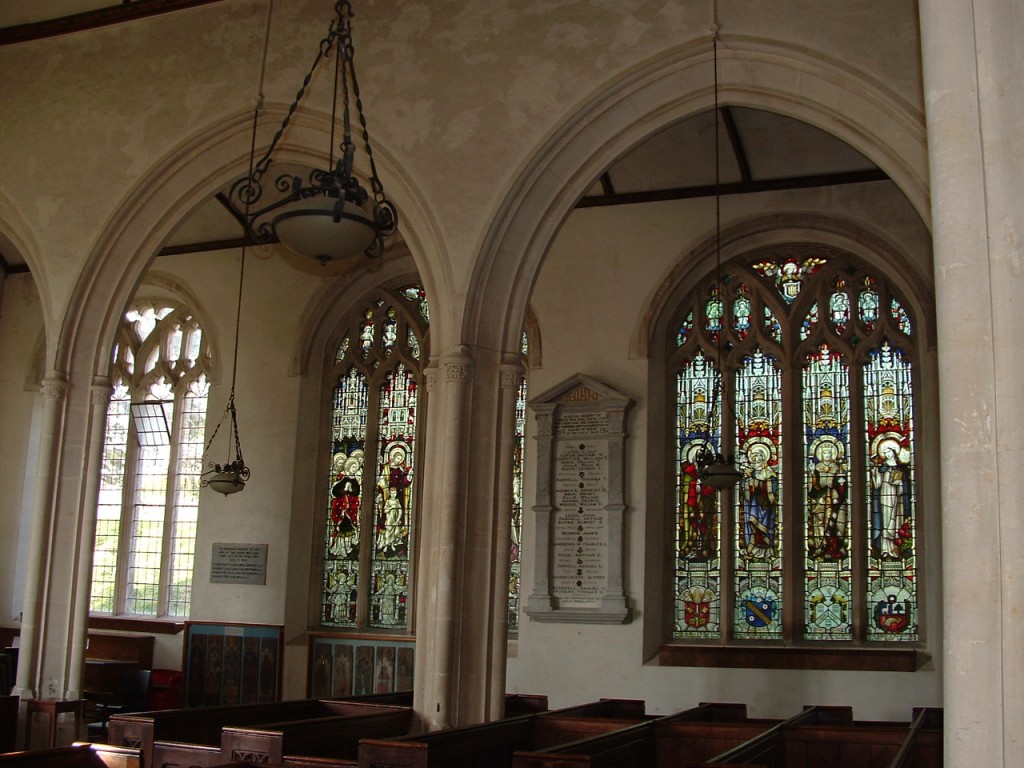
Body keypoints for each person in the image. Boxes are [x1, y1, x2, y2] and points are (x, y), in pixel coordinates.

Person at [807, 437, 848, 560]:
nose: (827, 455)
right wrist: (812, 475)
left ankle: (835, 547)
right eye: (824, 453)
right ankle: (821, 547)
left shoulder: (837, 468)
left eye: (829, 453)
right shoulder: (817, 468)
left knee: (836, 523)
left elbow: (841, 487)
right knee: (820, 524)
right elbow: (813, 488)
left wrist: (841, 482)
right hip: (820, 500)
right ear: (820, 454)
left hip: (834, 499)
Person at [871, 436, 910, 559]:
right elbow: (877, 485)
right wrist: (874, 471)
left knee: (896, 520)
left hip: (896, 498)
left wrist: (900, 484)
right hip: (885, 496)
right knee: (886, 522)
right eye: (884, 452)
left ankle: (894, 548)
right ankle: (885, 549)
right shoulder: (882, 468)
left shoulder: (899, 468)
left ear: (893, 452)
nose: (887, 454)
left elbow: (903, 488)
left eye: (888, 451)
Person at [742, 442, 778, 559]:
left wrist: (759, 483)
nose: (756, 459)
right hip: (754, 506)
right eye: (754, 457)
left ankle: (768, 552)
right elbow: (747, 494)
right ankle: (752, 550)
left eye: (759, 456)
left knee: (767, 528)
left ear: (764, 458)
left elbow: (772, 490)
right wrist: (748, 483)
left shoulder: (769, 473)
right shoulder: (750, 472)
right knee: (753, 526)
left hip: (766, 507)